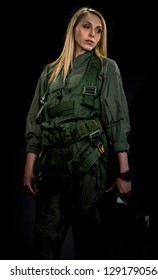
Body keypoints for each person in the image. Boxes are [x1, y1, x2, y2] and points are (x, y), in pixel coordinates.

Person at [23, 6, 132, 260]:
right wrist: (29, 167)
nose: (92, 34)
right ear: (73, 28)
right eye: (86, 26)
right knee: (45, 242)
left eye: (98, 30)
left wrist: (124, 173)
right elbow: (35, 123)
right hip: (52, 166)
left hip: (89, 165)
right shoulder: (49, 74)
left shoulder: (106, 68)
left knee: (89, 242)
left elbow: (116, 120)